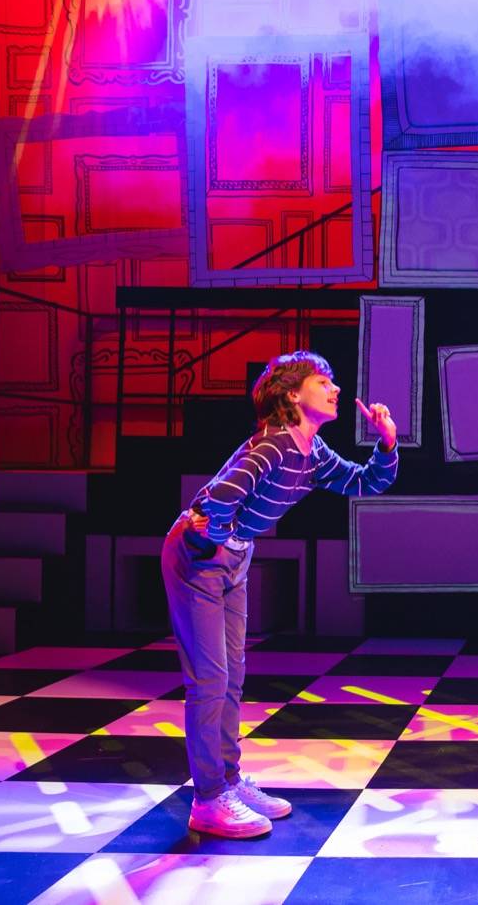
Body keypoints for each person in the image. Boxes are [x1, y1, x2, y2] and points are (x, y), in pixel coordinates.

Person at [160, 350, 400, 838]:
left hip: (233, 558)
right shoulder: (272, 446)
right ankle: (208, 799)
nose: (335, 389)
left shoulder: (312, 453)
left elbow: (366, 482)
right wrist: (216, 537)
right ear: (292, 394)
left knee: (231, 676)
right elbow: (217, 498)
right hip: (198, 558)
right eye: (323, 381)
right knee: (210, 679)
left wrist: (388, 442)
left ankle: (228, 780)